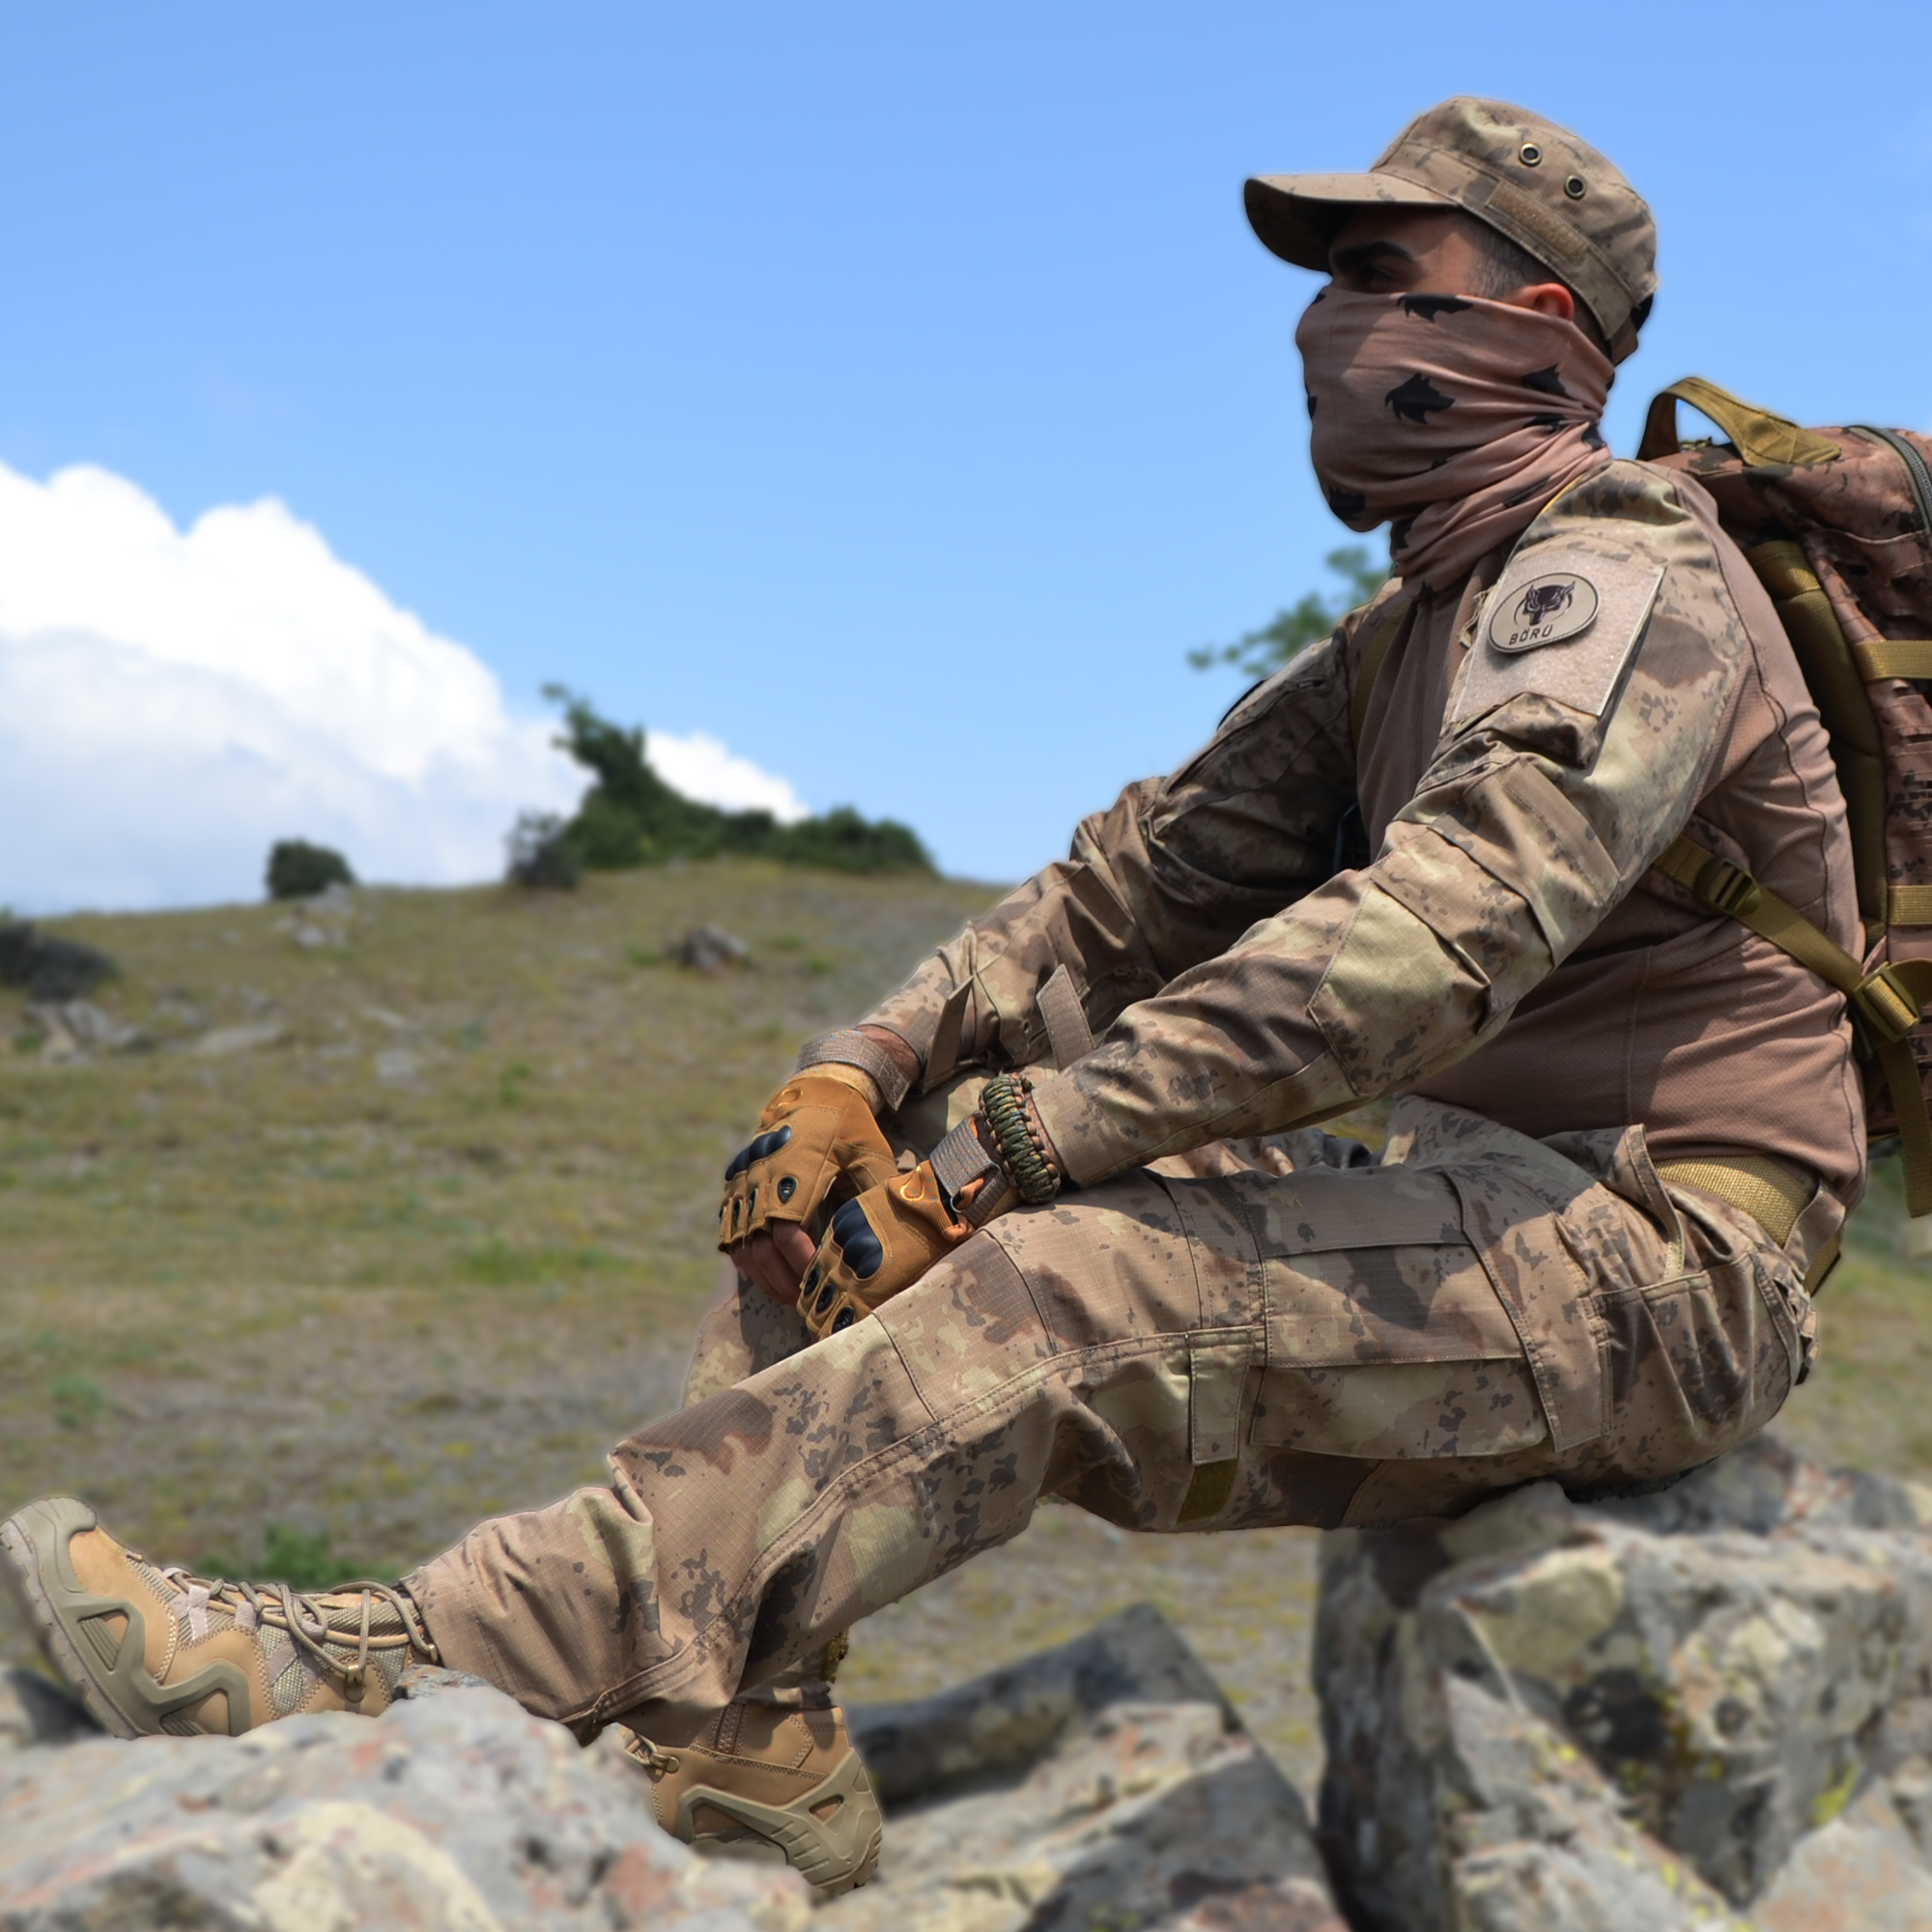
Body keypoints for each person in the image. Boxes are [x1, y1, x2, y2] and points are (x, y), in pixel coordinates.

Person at [2, 98, 1860, 1895]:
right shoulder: (1403, 635)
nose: (1320, 320)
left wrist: (1011, 1155)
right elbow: (1115, 898)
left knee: (1053, 1281)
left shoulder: (1626, 572)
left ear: (1534, 326)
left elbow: (1432, 940)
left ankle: (392, 1660)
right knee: (830, 1202)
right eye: (1326, 277)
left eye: (1380, 268)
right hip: (1479, 1214)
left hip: (1664, 1260)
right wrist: (857, 1075)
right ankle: (751, 1732)